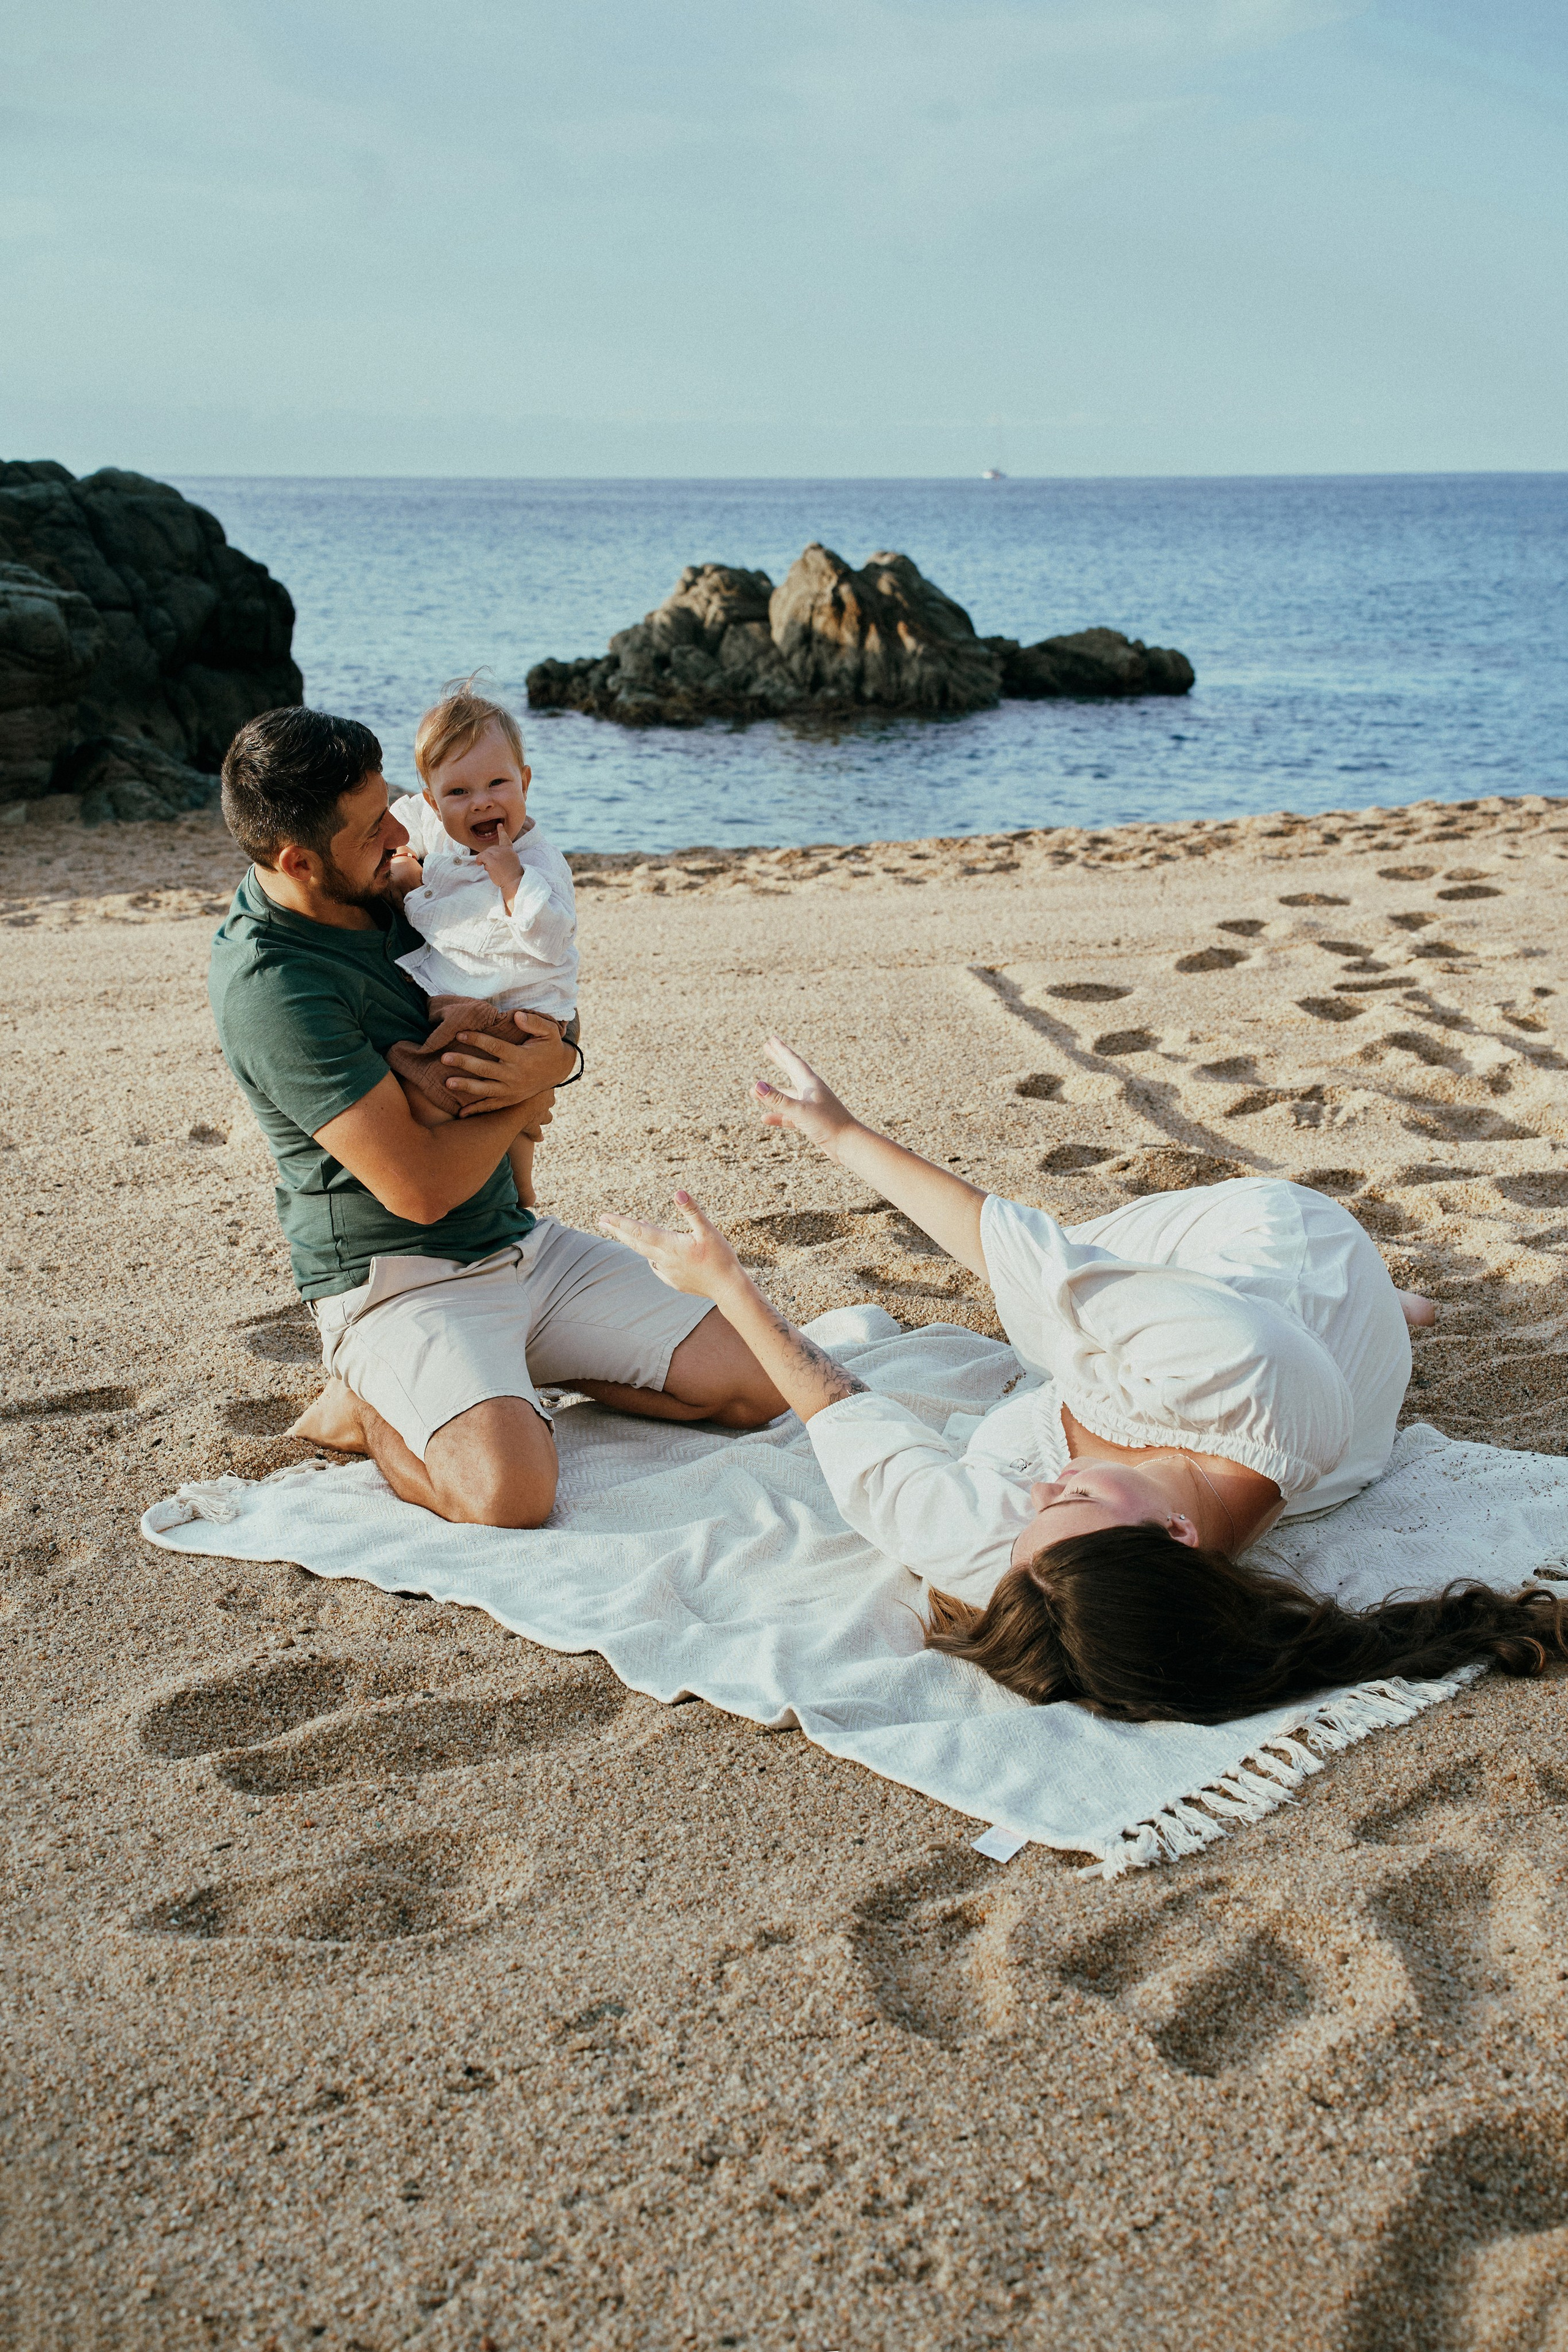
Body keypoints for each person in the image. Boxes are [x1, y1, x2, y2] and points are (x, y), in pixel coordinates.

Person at [602, 1039, 1566, 1726]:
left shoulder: (1037, 1569)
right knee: (1075, 1284)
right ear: (1180, 1538)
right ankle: (1376, 1313)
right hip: (1261, 1280)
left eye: (1039, 1512)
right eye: (1072, 1496)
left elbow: (846, 1420)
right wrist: (839, 1132)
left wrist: (727, 1284)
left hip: (1289, 1309)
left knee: (1067, 1337)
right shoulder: (1237, 1373)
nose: (1039, 1489)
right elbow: (1020, 1250)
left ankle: (1381, 1319)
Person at [208, 707, 785, 1531]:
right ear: (299, 861)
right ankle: (368, 1403)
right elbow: (421, 1188)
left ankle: (506, 1371)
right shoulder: (274, 987)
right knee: (511, 1497)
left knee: (764, 1380)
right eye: (376, 827)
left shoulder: (393, 879)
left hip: (519, 1243)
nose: (403, 831)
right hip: (397, 1281)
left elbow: (539, 986)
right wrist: (537, 1085)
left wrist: (561, 1052)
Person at [384, 676, 577, 1210]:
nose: (481, 803)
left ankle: (516, 1188)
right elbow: (402, 819)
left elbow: (551, 940)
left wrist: (515, 883)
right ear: (435, 800)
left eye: (498, 784)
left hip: (524, 1008)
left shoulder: (537, 865)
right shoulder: (442, 827)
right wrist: (402, 861)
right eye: (459, 792)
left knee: (450, 1088)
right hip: (476, 994)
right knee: (463, 1092)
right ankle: (491, 1180)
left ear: (525, 781)